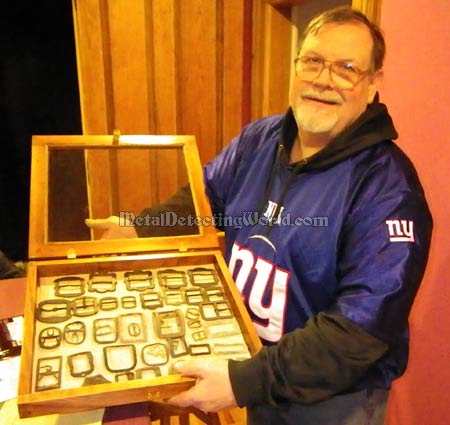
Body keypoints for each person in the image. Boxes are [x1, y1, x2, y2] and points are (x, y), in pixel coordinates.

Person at [88, 7, 432, 425]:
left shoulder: (389, 188)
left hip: (330, 400)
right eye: (313, 61)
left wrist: (244, 381)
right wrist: (141, 226)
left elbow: (356, 333)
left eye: (347, 69)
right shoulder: (261, 137)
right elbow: (204, 197)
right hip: (258, 367)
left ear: (374, 82)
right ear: (296, 65)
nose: (323, 80)